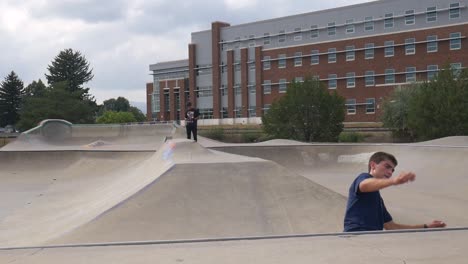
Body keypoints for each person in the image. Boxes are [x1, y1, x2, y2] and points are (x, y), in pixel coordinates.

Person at [343, 151, 446, 232]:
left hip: (371, 239)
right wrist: (394, 181)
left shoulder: (378, 201)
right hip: (355, 236)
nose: (390, 172)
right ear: (373, 165)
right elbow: (364, 185)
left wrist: (426, 226)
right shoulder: (363, 177)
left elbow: (392, 227)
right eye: (387, 166)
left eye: (392, 170)